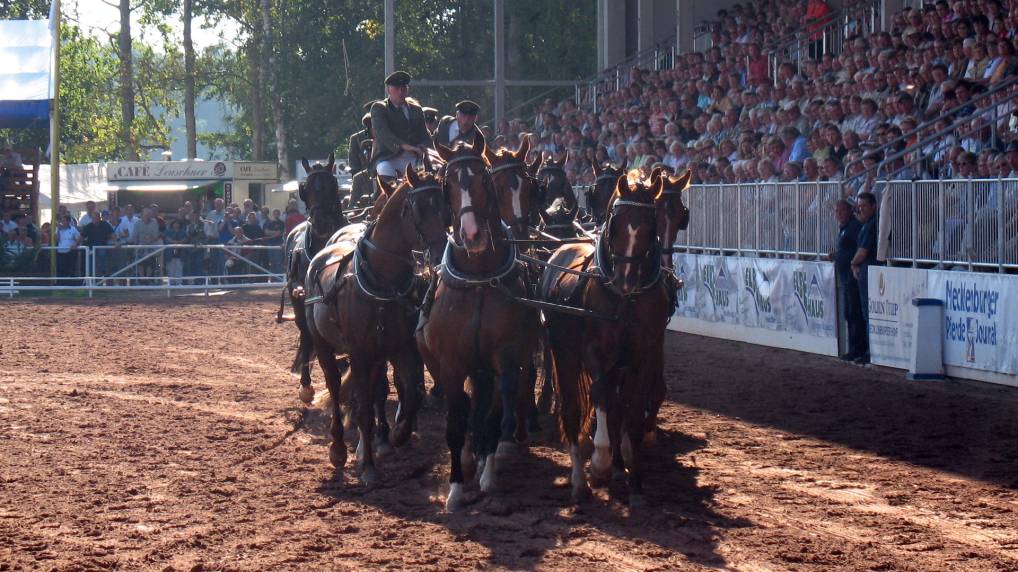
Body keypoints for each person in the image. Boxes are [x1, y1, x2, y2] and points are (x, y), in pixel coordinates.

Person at [368, 71, 432, 182]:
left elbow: (425, 136)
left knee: (433, 174)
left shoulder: (416, 109)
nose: (401, 91)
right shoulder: (380, 108)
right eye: (396, 88)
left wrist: (422, 148)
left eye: (403, 88)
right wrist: (406, 146)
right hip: (388, 158)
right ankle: (384, 199)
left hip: (414, 159)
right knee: (384, 169)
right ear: (388, 90)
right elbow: (384, 134)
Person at [832, 200, 866, 362]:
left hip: (853, 277)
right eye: (836, 212)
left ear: (849, 211)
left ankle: (858, 349)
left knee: (855, 313)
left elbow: (858, 247)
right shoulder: (844, 229)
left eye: (841, 211)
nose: (838, 214)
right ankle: (853, 348)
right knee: (849, 314)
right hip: (845, 277)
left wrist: (852, 262)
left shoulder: (853, 227)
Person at [850, 192, 881, 365]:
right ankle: (869, 351)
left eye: (864, 206)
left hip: (869, 270)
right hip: (867, 270)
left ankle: (871, 352)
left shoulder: (872, 225)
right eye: (859, 206)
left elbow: (863, 252)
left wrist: (853, 263)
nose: (860, 209)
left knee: (868, 313)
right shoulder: (867, 224)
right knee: (865, 312)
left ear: (874, 206)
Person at [349, 110, 376, 207]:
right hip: (368, 174)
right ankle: (351, 209)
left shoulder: (388, 136)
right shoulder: (357, 139)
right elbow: (354, 165)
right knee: (358, 178)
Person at [80, 209, 115, 277]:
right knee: (90, 266)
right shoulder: (88, 226)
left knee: (102, 254)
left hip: (102, 247)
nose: (94, 219)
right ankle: (91, 282)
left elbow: (112, 234)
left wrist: (116, 242)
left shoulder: (105, 224)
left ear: (99, 218)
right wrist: (75, 245)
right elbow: (81, 237)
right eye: (93, 218)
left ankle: (103, 271)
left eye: (95, 217)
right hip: (91, 249)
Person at [55, 214, 81, 284]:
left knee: (71, 269)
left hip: (71, 252)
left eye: (64, 220)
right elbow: (57, 240)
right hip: (61, 252)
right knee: (61, 269)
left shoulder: (73, 229)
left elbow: (79, 238)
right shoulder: (58, 229)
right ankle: (61, 285)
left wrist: (75, 245)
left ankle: (70, 285)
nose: (62, 222)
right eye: (62, 220)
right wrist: (58, 230)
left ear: (68, 221)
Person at [263, 208, 285, 275]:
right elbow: (266, 232)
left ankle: (279, 278)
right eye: (274, 213)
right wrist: (275, 233)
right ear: (272, 214)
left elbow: (280, 232)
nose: (276, 215)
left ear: (279, 214)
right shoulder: (268, 222)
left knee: (278, 262)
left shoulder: (281, 223)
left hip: (278, 244)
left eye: (277, 213)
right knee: (272, 262)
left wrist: (272, 232)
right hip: (270, 244)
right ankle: (273, 278)